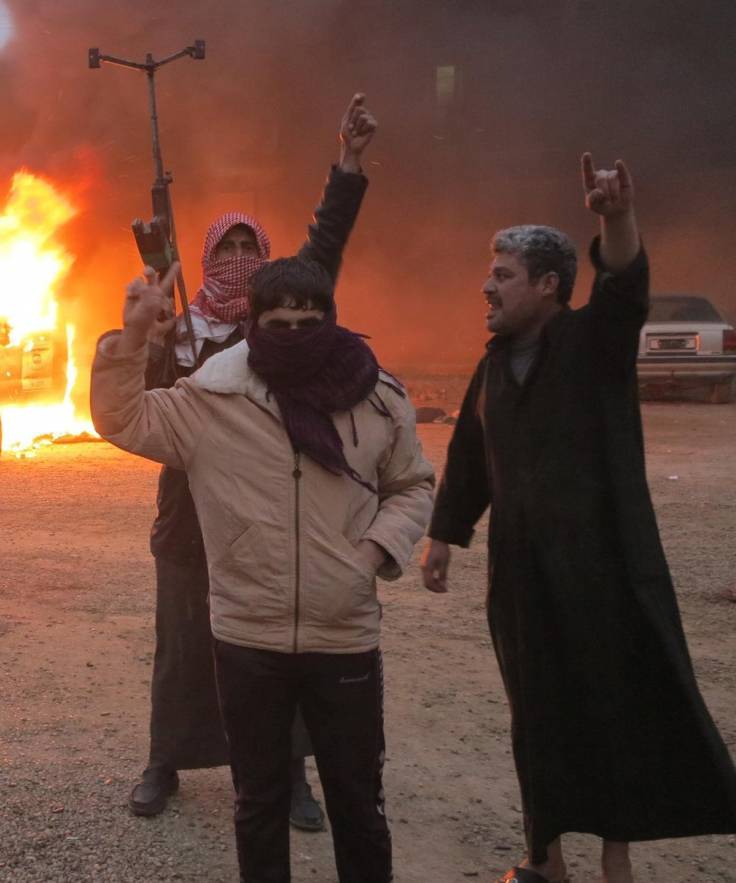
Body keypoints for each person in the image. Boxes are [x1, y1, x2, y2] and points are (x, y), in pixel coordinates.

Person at [421, 155, 736, 883]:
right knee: (536, 718)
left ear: (548, 286)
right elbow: (471, 455)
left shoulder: (593, 345)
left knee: (609, 712)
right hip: (523, 582)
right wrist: (444, 533)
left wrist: (615, 217)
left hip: (604, 577)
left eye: (502, 275)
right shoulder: (495, 366)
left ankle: (614, 864)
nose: (486, 286)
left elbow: (624, 288)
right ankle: (546, 861)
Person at [92, 254, 435, 882]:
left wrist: (370, 554)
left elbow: (411, 484)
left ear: (332, 320)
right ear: (254, 324)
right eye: (280, 325)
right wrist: (134, 337)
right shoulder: (214, 396)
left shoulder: (376, 396)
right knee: (258, 804)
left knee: (359, 805)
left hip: (346, 633)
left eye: (311, 325)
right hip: (249, 637)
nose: (297, 339)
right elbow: (122, 419)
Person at [130, 94, 379, 833]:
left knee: (279, 653)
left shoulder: (284, 327)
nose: (239, 259)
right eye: (226, 249)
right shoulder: (183, 329)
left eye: (250, 247)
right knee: (181, 644)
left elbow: (325, 244)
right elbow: (149, 417)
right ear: (206, 259)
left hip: (271, 520)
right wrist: (152, 338)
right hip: (189, 522)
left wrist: (349, 165)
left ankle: (290, 774)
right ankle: (163, 760)